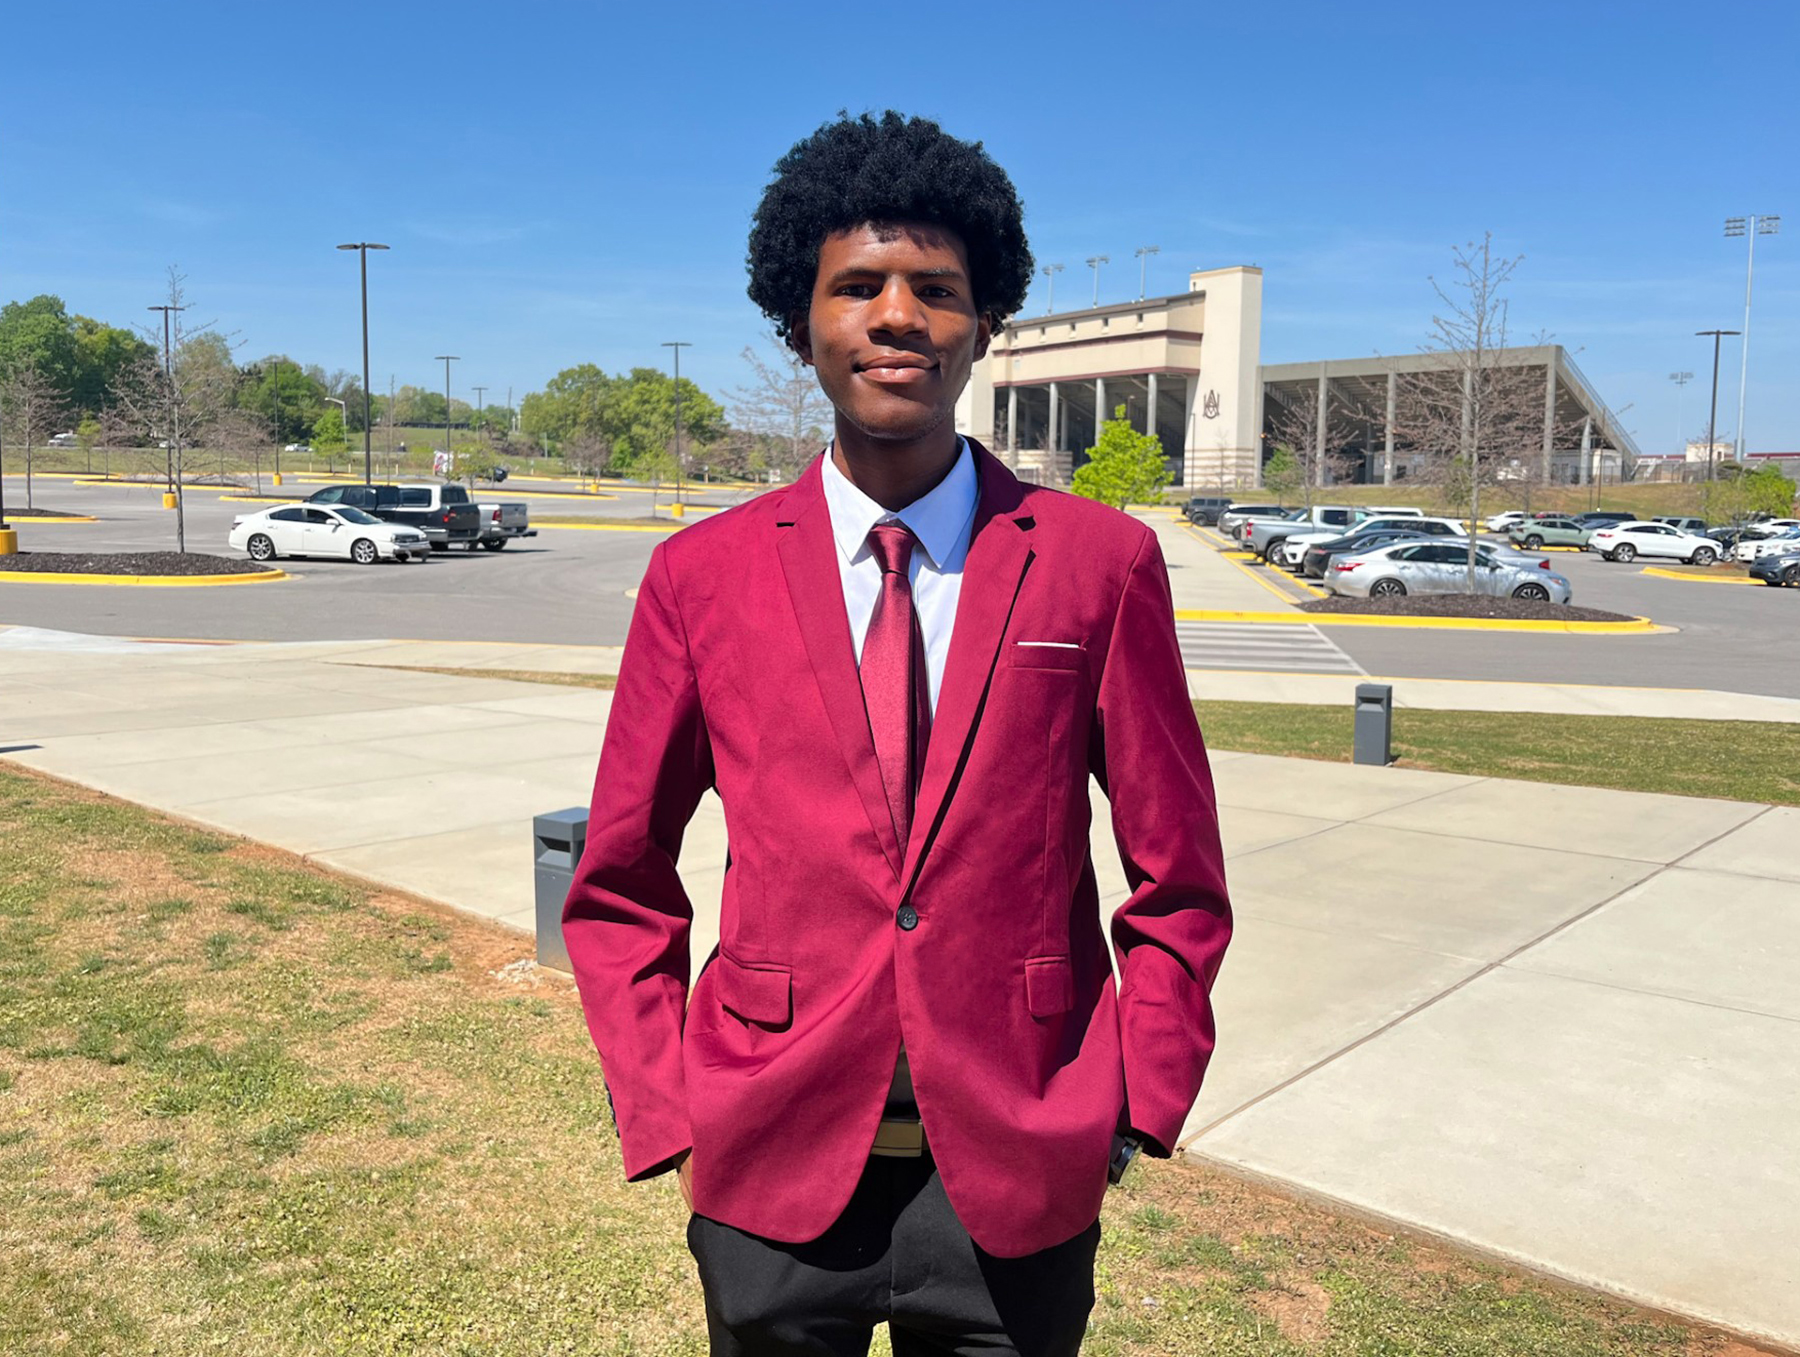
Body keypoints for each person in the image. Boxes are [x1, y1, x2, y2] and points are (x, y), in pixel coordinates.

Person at [565, 110, 1232, 1357]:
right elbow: (620, 875)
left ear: (984, 325)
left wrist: (1137, 1089)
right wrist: (667, 1101)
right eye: (856, 285)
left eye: (937, 288)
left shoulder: (1101, 565)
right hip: (770, 1161)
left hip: (1018, 1168)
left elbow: (1177, 869)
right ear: (801, 322)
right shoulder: (698, 578)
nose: (896, 316)